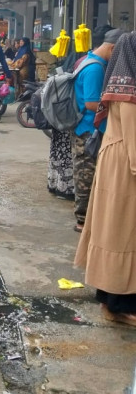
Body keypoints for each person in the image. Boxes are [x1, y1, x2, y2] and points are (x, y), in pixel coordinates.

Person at [74, 31, 136, 327]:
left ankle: (114, 302)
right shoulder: (127, 92)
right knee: (120, 234)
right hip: (125, 167)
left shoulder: (106, 73)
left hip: (116, 160)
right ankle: (117, 305)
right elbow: (134, 138)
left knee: (116, 232)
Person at [71, 29, 121, 233]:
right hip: (88, 129)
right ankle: (82, 220)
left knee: (87, 171)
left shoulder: (87, 59)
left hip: (87, 127)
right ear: (113, 48)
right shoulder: (95, 68)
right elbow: (91, 103)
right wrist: (117, 109)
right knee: (86, 174)